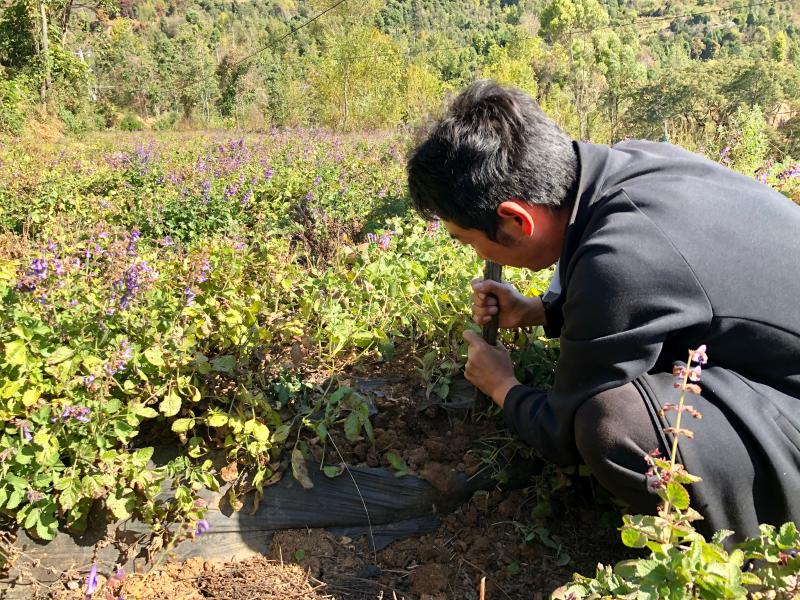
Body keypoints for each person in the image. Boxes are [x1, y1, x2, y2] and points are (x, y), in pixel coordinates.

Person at [406, 79, 800, 540]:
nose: (475, 255)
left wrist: (502, 386)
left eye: (467, 239)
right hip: (775, 354)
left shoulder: (621, 259)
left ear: (516, 219)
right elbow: (672, 294)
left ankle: (750, 548)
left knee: (613, 424)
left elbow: (560, 429)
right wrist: (538, 311)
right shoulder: (633, 162)